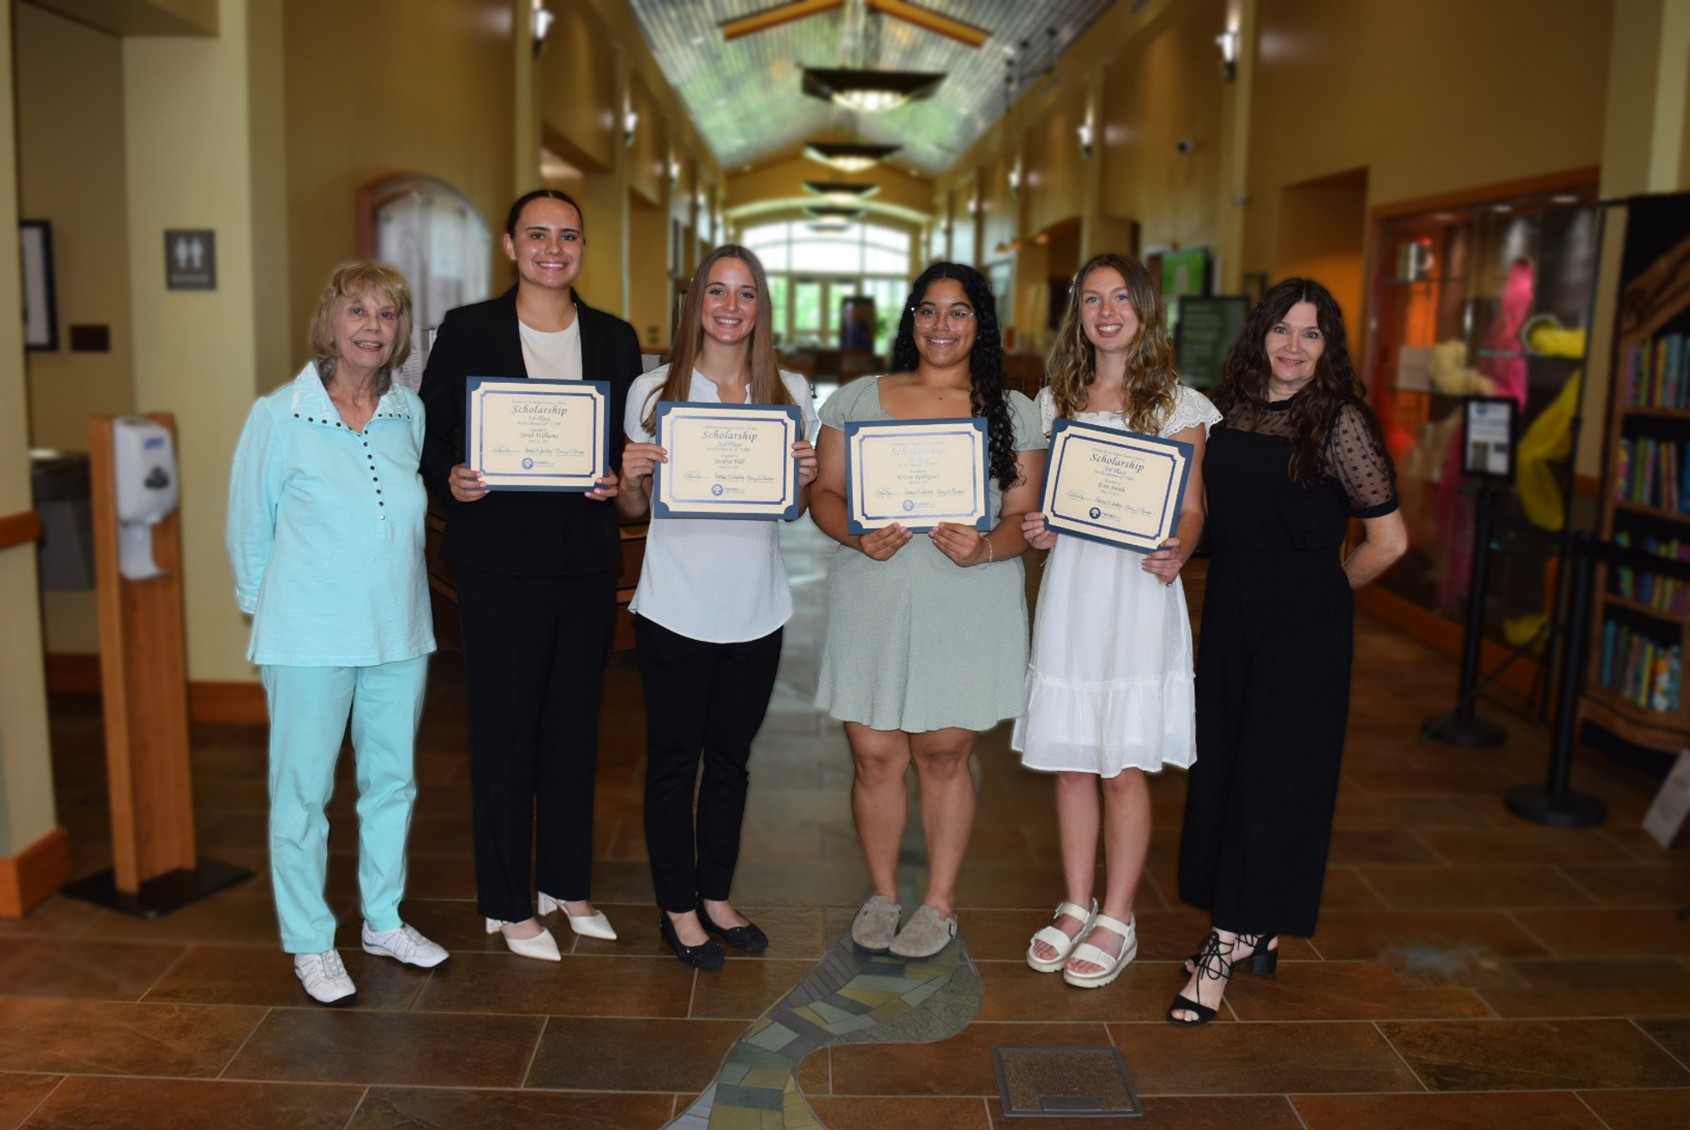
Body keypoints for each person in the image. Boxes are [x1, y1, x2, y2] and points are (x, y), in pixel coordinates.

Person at [1171, 278, 1408, 1024]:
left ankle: (1225, 943)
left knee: (1273, 778)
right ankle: (1257, 928)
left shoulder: (1340, 420)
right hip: (1232, 607)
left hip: (1305, 619)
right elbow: (1198, 511)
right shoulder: (1223, 409)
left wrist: (1325, 592)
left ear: (1327, 345)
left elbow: (1389, 541)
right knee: (1225, 763)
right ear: (1260, 334)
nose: (1294, 346)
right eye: (1282, 329)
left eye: (1311, 333)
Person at [418, 189, 641, 961]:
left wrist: (616, 474)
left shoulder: (613, 338)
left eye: (568, 236)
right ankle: (509, 901)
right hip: (498, 563)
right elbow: (429, 434)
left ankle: (568, 886)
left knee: (575, 729)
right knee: (503, 731)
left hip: (584, 562)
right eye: (538, 234)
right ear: (511, 245)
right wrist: (452, 477)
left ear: (583, 247)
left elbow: (622, 445)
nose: (554, 248)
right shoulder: (469, 329)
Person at [810, 262, 1046, 959]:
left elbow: (1024, 515)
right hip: (874, 588)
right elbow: (824, 492)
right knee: (875, 754)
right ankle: (883, 893)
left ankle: (939, 901)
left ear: (981, 324)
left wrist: (985, 547)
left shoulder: (1012, 410)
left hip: (968, 595)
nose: (941, 326)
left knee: (944, 754)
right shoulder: (857, 399)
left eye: (959, 311)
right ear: (910, 319)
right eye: (928, 310)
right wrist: (857, 534)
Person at [227, 261, 447, 1004]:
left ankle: (382, 920)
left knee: (392, 783)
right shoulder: (279, 416)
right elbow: (249, 529)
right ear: (330, 320)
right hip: (307, 638)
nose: (372, 327)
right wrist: (269, 617)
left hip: (398, 632)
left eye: (387, 314)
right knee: (302, 794)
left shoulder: (409, 412)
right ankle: (310, 941)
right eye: (358, 310)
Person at [1013, 254, 1219, 989]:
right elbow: (1045, 506)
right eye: (1093, 299)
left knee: (1123, 769)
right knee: (1074, 762)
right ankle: (1076, 903)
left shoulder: (1180, 405)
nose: (1107, 312)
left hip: (1137, 593)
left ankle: (1119, 917)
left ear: (1145, 309)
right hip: (1073, 592)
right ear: (1078, 313)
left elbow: (1191, 508)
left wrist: (1179, 548)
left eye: (1121, 297)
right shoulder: (1056, 401)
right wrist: (1039, 529)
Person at [617, 245, 819, 969]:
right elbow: (635, 509)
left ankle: (717, 896)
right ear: (695, 302)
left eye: (745, 293)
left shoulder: (789, 391)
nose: (730, 307)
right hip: (674, 605)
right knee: (675, 763)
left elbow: (794, 510)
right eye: (716, 291)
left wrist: (804, 476)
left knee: (732, 762)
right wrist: (630, 478)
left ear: (761, 306)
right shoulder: (653, 391)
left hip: (756, 608)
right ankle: (678, 907)